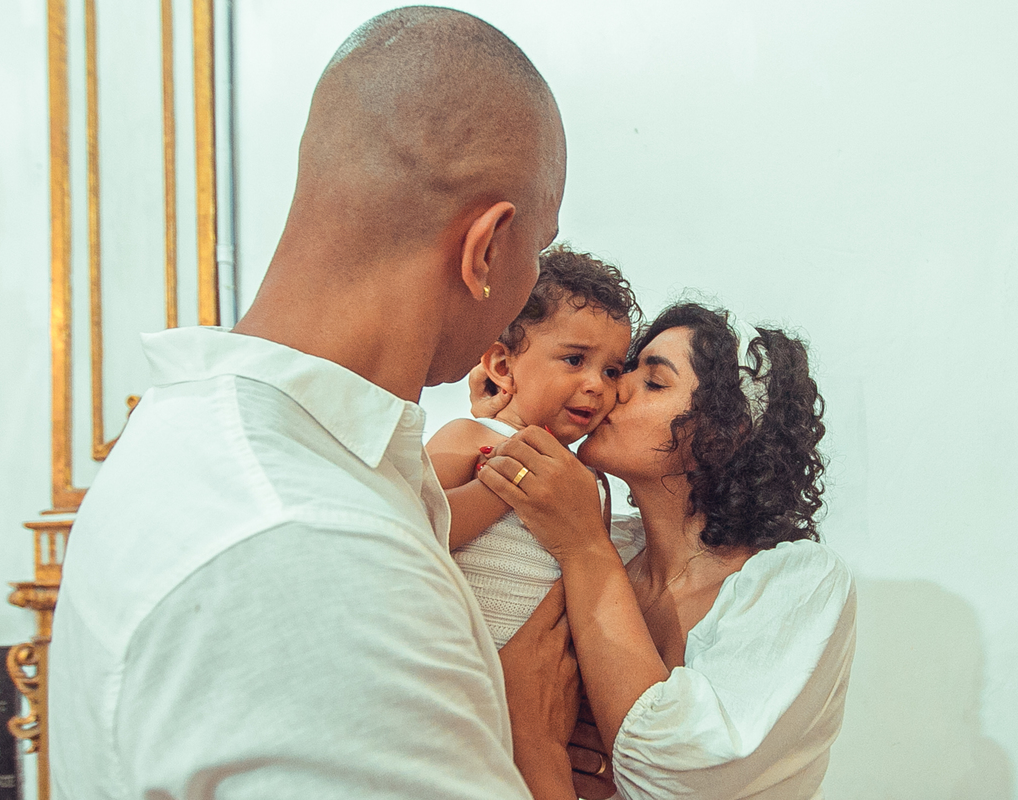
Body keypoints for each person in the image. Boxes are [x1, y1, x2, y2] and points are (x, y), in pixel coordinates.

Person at [47, 7, 583, 800]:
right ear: (487, 248)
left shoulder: (197, 430)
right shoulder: (317, 547)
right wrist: (536, 750)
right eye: (537, 250)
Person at [476, 302, 856, 800]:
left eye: (654, 382)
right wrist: (500, 417)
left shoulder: (798, 583)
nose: (617, 387)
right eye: (628, 368)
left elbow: (684, 771)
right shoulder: (610, 541)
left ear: (726, 433)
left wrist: (584, 548)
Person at [428, 245, 637, 647]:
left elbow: (588, 580)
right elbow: (415, 529)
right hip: (456, 666)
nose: (597, 384)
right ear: (503, 367)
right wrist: (505, 482)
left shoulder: (592, 482)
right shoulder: (469, 436)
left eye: (612, 371)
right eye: (575, 360)